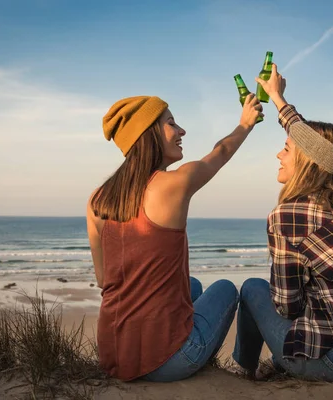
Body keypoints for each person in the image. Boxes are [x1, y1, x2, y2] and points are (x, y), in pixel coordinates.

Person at [232, 64, 333, 386]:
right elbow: (328, 155)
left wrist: (279, 99)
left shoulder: (287, 216)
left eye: (288, 149)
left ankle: (244, 375)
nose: (279, 154)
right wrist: (279, 100)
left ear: (307, 161)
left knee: (251, 289)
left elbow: (287, 305)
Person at [86, 94, 264, 382]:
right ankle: (247, 370)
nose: (181, 131)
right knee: (226, 288)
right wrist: (245, 124)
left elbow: (105, 280)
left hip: (115, 358)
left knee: (191, 285)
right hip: (169, 362)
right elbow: (219, 154)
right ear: (149, 135)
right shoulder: (173, 184)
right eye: (171, 123)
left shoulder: (97, 199)